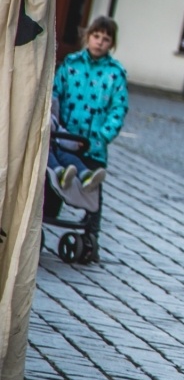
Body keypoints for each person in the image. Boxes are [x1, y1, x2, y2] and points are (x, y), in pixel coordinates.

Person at [52, 16, 129, 262]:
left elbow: (118, 108)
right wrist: (54, 125)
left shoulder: (115, 74)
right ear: (87, 37)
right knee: (56, 179)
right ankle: (46, 216)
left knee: (93, 189)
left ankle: (91, 232)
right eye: (96, 37)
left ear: (112, 44)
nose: (100, 42)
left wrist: (104, 135)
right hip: (65, 137)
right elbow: (55, 94)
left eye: (106, 39)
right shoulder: (71, 65)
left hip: (93, 144)